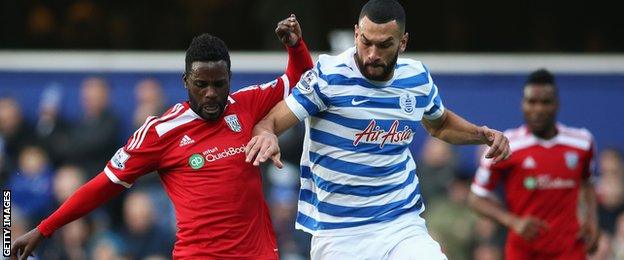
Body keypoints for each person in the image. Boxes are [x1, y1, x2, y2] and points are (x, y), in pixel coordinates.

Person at [11, 14, 313, 259]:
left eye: (219, 84)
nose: (210, 93)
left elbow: (300, 80)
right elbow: (102, 186)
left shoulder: (246, 104)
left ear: (229, 80)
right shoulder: (160, 131)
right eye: (201, 84)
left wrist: (296, 46)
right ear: (185, 81)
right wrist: (44, 229)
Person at [244, 1, 510, 259]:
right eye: (365, 42)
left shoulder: (416, 78)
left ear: (402, 43)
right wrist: (267, 132)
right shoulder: (328, 76)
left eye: (384, 45)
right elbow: (272, 120)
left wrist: (481, 135)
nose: (372, 54)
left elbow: (440, 125)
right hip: (339, 233)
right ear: (356, 34)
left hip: (401, 225)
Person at [468, 69, 599, 259]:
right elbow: (476, 198)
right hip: (524, 251)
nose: (538, 109)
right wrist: (513, 221)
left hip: (569, 250)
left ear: (556, 105)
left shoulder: (582, 142)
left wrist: (591, 220)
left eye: (545, 102)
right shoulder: (507, 145)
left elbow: (587, 183)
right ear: (523, 104)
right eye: (532, 102)